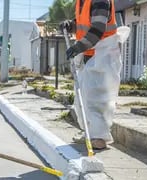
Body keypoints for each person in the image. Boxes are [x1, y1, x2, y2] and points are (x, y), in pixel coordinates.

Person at [60, 0, 129, 150]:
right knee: (83, 96)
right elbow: (84, 24)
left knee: (98, 98)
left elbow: (97, 28)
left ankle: (99, 138)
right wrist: (71, 26)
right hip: (91, 54)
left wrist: (79, 46)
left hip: (104, 54)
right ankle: (89, 133)